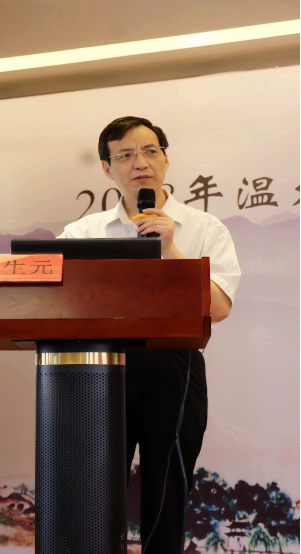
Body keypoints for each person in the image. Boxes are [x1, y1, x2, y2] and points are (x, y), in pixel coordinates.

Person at [57, 116, 241, 553]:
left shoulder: (205, 228)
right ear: (108, 169)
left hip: (174, 368)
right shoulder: (83, 233)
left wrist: (171, 250)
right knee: (96, 493)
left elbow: (219, 308)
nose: (140, 162)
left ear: (166, 159)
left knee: (167, 494)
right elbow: (53, 293)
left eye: (150, 151)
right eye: (125, 155)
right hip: (101, 371)